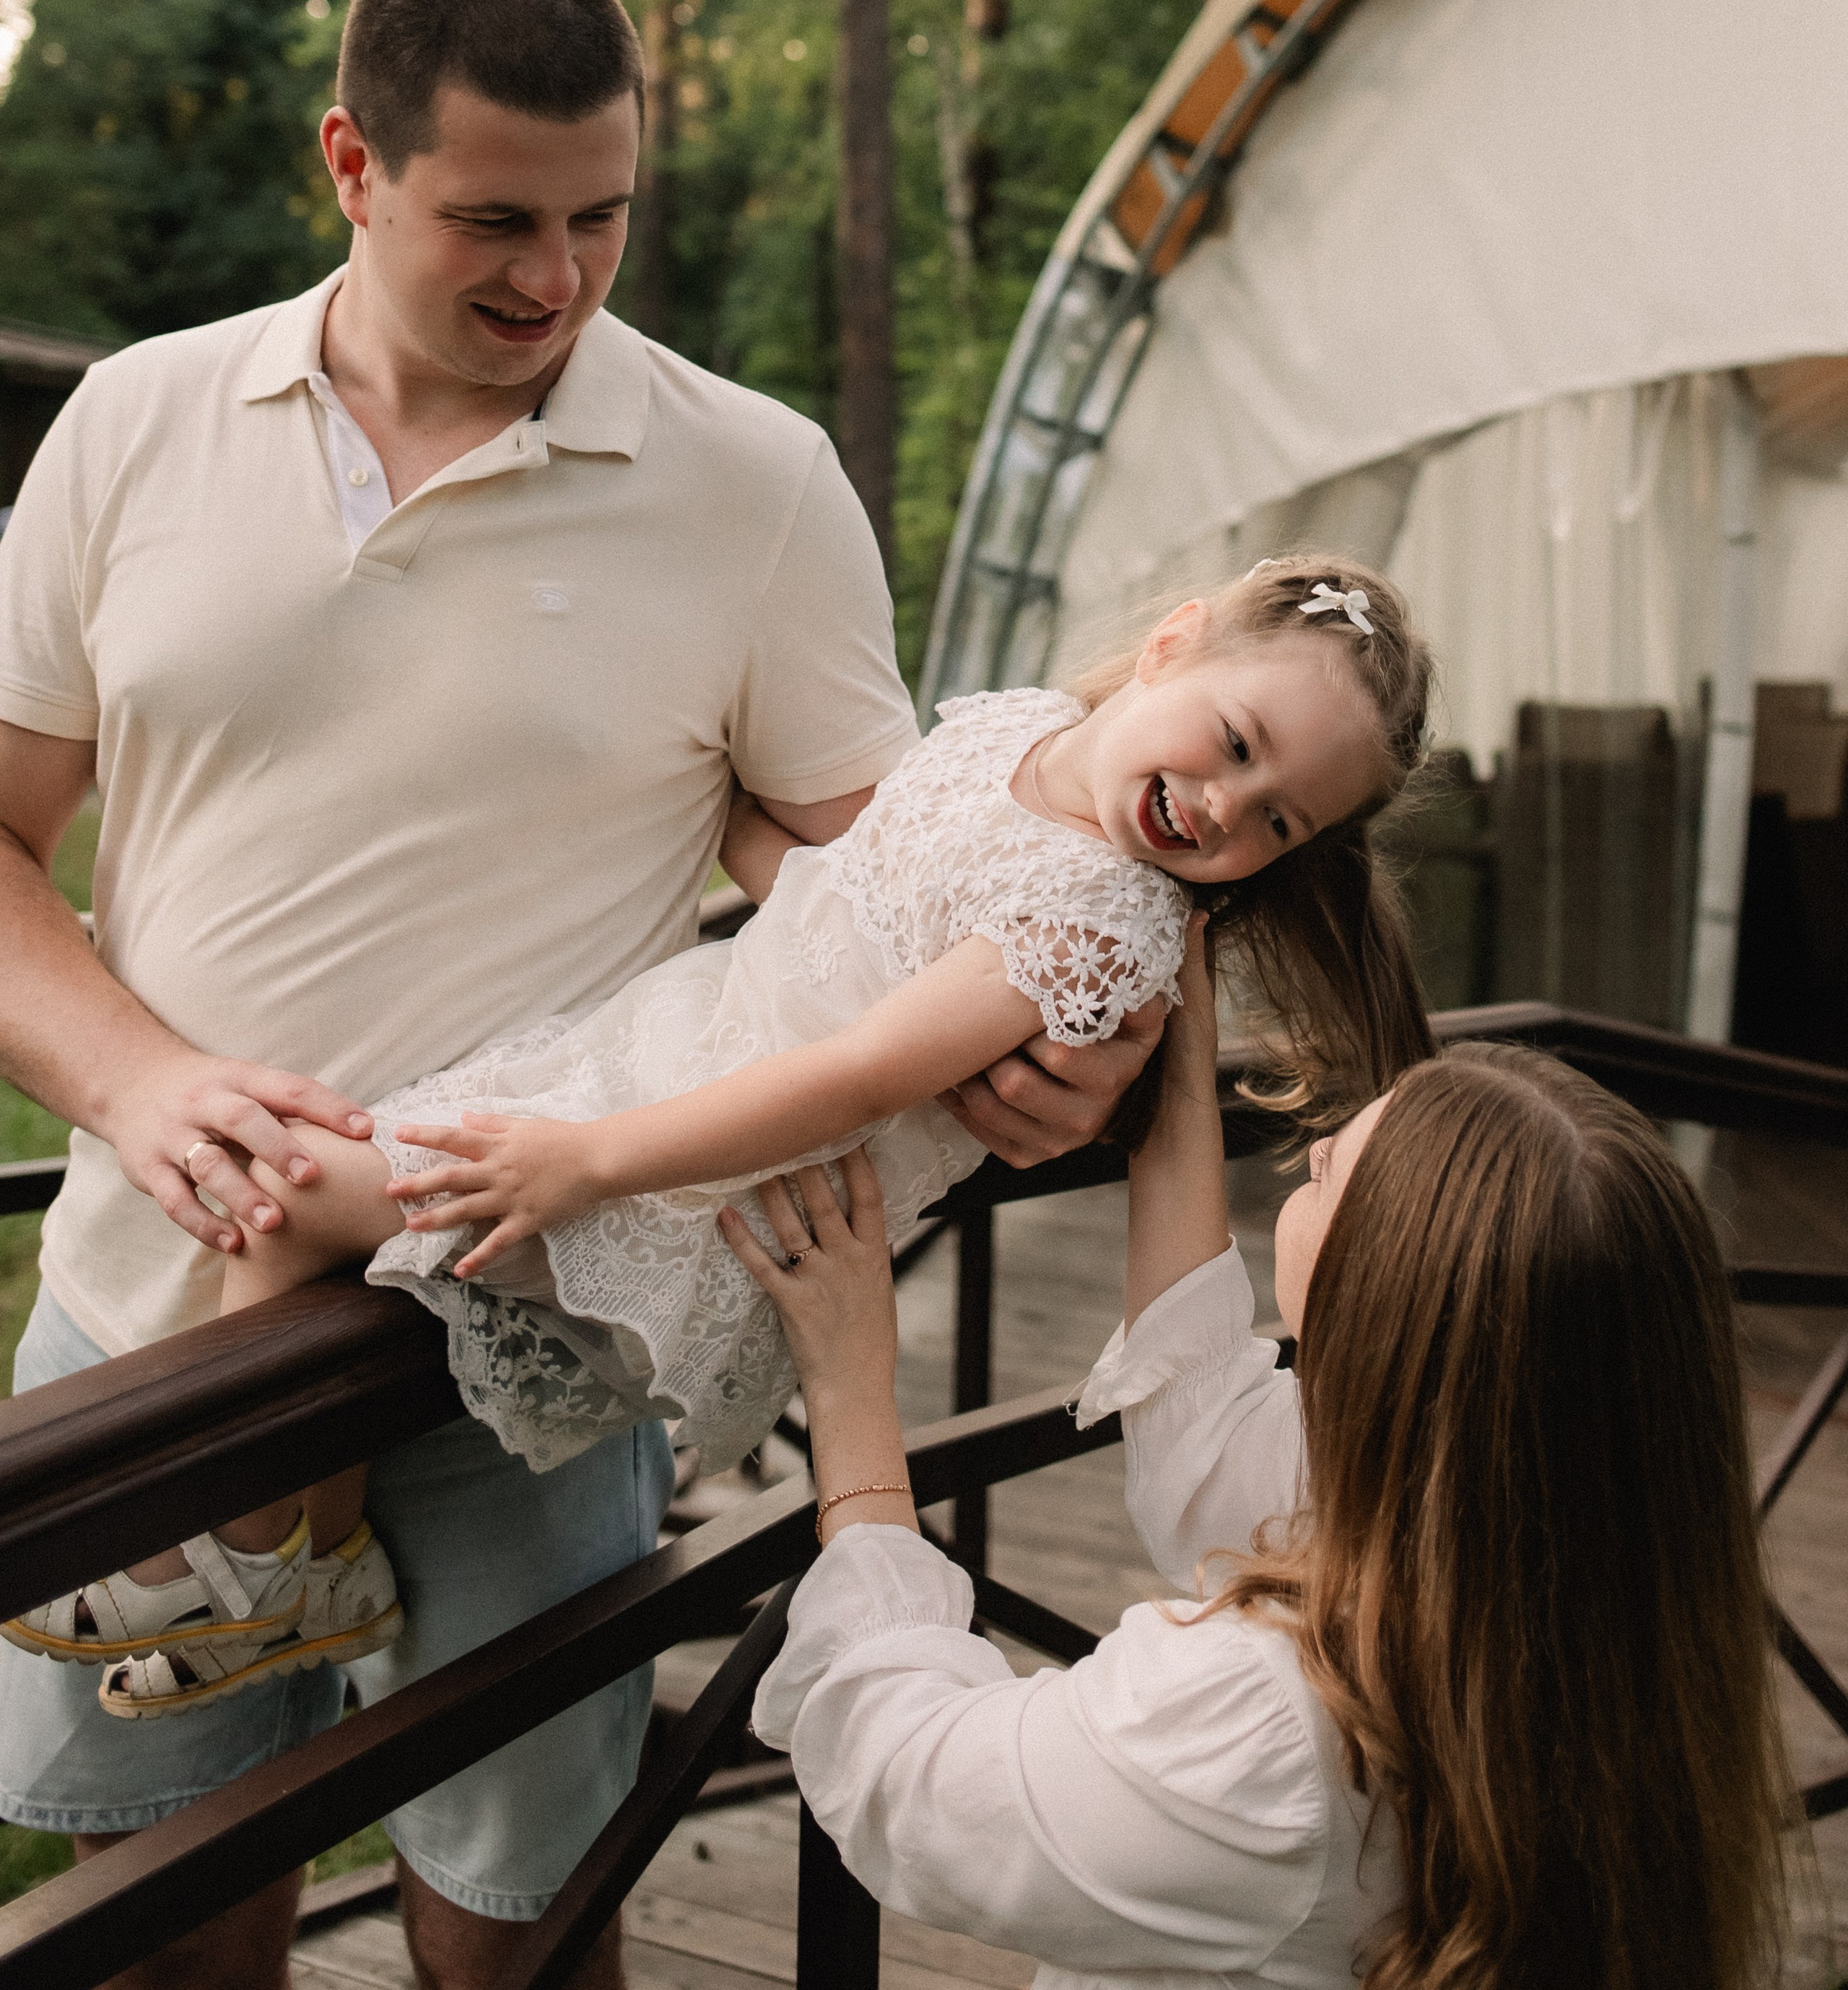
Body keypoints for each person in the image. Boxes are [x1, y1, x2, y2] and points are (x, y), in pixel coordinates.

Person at [0, 0, 1161, 1990]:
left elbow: (885, 877)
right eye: (495, 222)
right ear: (350, 164)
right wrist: (144, 1087)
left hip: (529, 1358)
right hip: (150, 1315)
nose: (555, 280)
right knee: (157, 1938)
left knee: (522, 1941)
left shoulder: (755, 482)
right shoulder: (133, 424)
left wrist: (1070, 1048)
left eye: (602, 218)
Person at [14, 552, 1435, 1733]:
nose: (1224, 809)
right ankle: (303, 1559)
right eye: (1236, 746)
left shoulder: (1098, 914)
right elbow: (851, 894)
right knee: (305, 1208)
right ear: (1172, 645)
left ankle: (225, 1572)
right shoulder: (1010, 741)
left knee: (285, 1183)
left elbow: (856, 1071)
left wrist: (588, 1162)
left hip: (706, 1179)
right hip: (668, 1065)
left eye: (1274, 821)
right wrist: (719, 807)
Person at [738, 934, 1791, 1990]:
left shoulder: (1270, 1734)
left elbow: (913, 1782)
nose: (1307, 1149)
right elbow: (1207, 1441)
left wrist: (851, 1393)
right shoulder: (1578, 1586)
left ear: (1378, 1315)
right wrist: (1179, 1079)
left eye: (1327, 1172)